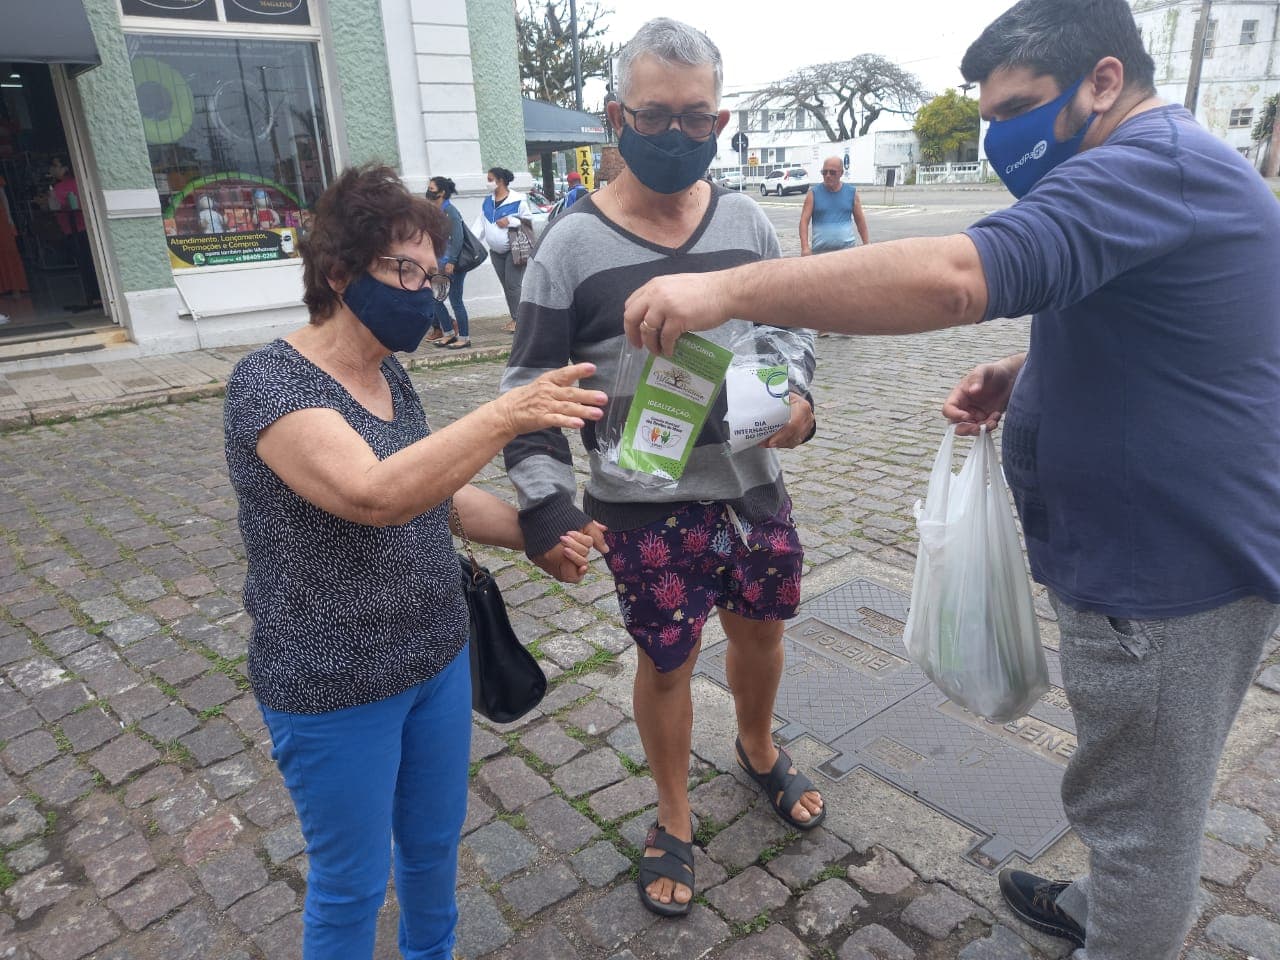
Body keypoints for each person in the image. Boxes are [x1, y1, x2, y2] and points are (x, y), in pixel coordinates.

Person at [621, 1, 1280, 956]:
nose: (998, 134)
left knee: (1146, 819)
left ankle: (1123, 920)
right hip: (1137, 556)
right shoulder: (1149, 171)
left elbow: (960, 279)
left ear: (1104, 81)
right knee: (1126, 783)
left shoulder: (1149, 164)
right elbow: (1180, 332)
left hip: (1174, 575)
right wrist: (1028, 375)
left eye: (1017, 105)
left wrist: (726, 288)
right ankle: (1104, 904)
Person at [222, 164, 606, 960]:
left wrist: (538, 537)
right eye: (406, 271)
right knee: (351, 882)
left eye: (434, 276)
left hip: (436, 656)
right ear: (338, 270)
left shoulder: (390, 374)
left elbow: (437, 496)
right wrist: (507, 413)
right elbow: (374, 495)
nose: (426, 294)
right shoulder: (270, 384)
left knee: (433, 852)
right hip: (335, 684)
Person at [500, 17, 823, 919]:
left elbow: (787, 330)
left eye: (695, 117)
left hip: (753, 490)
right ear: (615, 116)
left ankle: (756, 748)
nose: (675, 135)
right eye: (654, 116)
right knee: (669, 662)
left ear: (721, 121)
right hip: (642, 506)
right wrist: (545, 504)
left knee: (761, 633)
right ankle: (673, 811)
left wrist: (798, 403)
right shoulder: (568, 247)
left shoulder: (752, 222)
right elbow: (528, 390)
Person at [471, 166, 532, 333]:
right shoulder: (488, 201)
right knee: (507, 286)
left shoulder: (518, 199)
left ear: (501, 181)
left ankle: (520, 320)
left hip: (514, 248)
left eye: (490, 179)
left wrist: (510, 221)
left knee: (513, 285)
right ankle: (515, 318)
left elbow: (527, 221)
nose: (488, 183)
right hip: (496, 252)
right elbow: (480, 224)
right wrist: (470, 241)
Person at [423, 176, 472, 349]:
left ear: (442, 192)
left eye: (432, 189)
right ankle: (449, 333)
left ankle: (464, 337)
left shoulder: (450, 211)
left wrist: (452, 260)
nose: (428, 192)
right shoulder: (434, 212)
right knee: (436, 299)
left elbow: (457, 238)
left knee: (455, 300)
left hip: (452, 264)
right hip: (438, 263)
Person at [46, 156, 100, 313]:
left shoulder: (60, 188)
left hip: (75, 229)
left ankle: (94, 295)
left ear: (64, 168)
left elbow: (55, 206)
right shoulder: (80, 182)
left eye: (55, 166)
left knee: (85, 263)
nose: (52, 170)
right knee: (91, 262)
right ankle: (96, 295)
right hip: (87, 228)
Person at [799, 156, 868, 256]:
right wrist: (805, 247)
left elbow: (860, 220)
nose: (827, 175)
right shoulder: (813, 194)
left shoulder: (851, 192)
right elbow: (804, 222)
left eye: (832, 172)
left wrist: (866, 244)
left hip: (847, 253)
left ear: (841, 173)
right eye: (824, 172)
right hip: (820, 254)